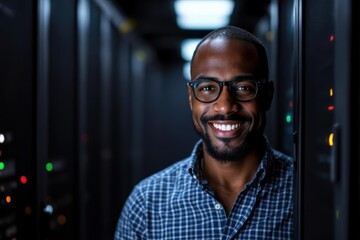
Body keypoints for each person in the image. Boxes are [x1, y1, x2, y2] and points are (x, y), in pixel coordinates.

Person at [114, 26, 294, 239]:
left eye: (243, 87)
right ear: (191, 98)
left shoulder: (305, 192)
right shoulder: (146, 204)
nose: (225, 107)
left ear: (267, 96)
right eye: (208, 88)